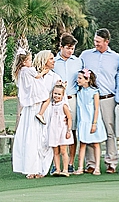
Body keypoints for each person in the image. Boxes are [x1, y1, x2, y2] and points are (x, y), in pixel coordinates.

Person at [12, 49, 54, 179]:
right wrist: (43, 72)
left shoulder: (21, 73)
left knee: (38, 138)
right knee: (32, 137)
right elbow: (37, 77)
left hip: (36, 106)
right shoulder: (28, 71)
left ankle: (38, 168)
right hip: (34, 106)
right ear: (24, 62)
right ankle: (33, 168)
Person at [73, 68, 106, 175]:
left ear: (87, 79)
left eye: (80, 78)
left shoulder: (94, 92)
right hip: (83, 120)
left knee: (96, 143)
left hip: (92, 120)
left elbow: (96, 108)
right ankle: (80, 167)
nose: (77, 80)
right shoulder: (79, 91)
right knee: (82, 143)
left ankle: (97, 167)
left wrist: (94, 123)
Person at [77, 32, 119, 109]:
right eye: (95, 41)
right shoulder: (85, 55)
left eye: (98, 42)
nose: (95, 44)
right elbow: (76, 73)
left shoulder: (117, 58)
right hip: (88, 99)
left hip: (107, 100)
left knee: (109, 122)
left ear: (106, 42)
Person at [44, 80, 74, 176]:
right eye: (55, 93)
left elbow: (69, 118)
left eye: (59, 94)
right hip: (53, 130)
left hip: (62, 129)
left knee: (63, 150)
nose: (56, 96)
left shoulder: (63, 105)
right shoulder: (51, 105)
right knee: (55, 151)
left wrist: (69, 130)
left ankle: (65, 169)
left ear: (63, 95)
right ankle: (57, 169)